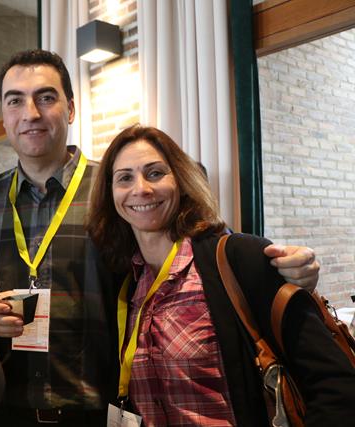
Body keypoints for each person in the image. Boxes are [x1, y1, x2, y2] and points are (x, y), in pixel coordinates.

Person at [0, 49, 321, 426]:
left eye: (46, 97)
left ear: (71, 109)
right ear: (4, 115)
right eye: (15, 100)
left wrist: (282, 272)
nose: (31, 113)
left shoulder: (117, 189)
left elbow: (199, 249)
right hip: (7, 409)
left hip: (102, 409)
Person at [86, 124, 355, 426]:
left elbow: (336, 384)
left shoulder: (239, 259)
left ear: (181, 181)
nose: (141, 189)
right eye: (125, 178)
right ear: (110, 193)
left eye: (155, 173)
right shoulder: (126, 282)